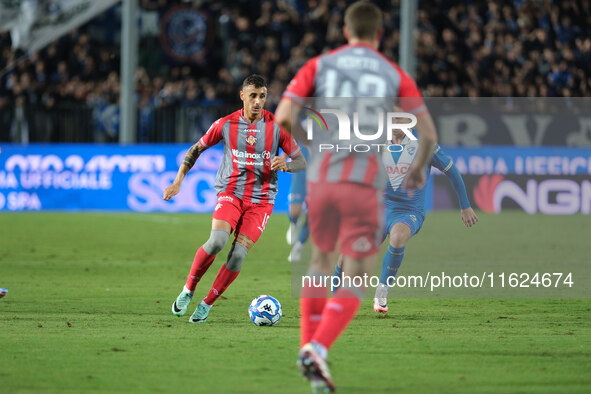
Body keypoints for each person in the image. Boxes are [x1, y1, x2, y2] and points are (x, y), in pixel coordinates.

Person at [274, 2, 438, 392]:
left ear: (345, 31)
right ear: (379, 34)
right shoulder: (393, 74)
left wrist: (314, 141)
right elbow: (427, 135)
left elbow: (282, 118)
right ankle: (318, 348)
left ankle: (308, 351)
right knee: (358, 274)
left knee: (319, 263)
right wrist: (417, 169)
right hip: (363, 184)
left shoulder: (321, 64)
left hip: (325, 178)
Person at [164, 74, 306, 323]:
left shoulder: (277, 128)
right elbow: (196, 148)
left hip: (262, 201)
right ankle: (188, 289)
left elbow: (302, 160)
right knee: (217, 241)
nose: (258, 101)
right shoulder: (226, 124)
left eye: (262, 96)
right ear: (242, 96)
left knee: (238, 255)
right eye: (253, 95)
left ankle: (207, 304)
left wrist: (287, 164)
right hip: (231, 193)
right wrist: (178, 181)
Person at [332, 129, 479, 313]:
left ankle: (382, 291)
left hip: (409, 210)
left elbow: (452, 171)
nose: (395, 122)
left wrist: (465, 205)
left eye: (401, 117)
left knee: (398, 236)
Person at [285, 144, 310, 262]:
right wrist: (282, 159)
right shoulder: (300, 127)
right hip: (300, 174)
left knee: (313, 217)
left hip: (319, 178)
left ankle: (298, 247)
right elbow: (288, 144)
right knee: (294, 211)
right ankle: (294, 223)